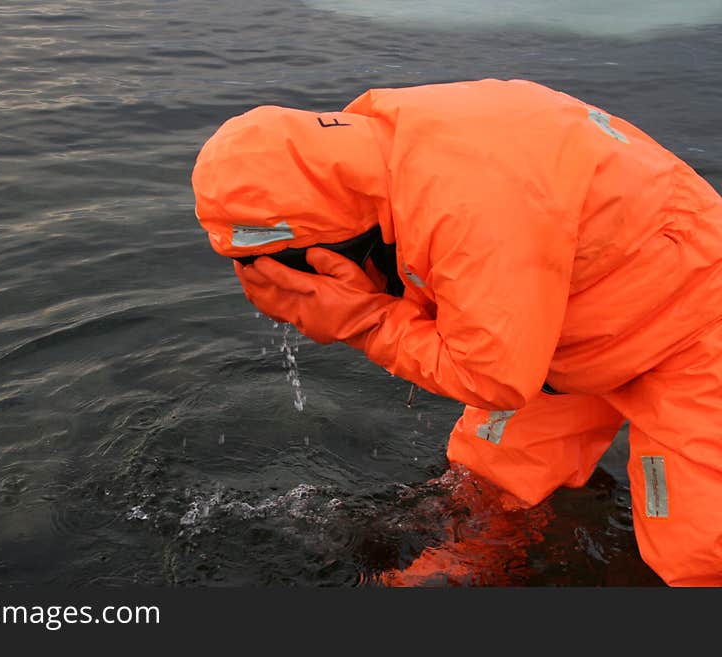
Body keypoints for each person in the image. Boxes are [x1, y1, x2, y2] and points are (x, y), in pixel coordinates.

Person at [190, 78, 722, 586]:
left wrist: (364, 319)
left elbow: (494, 379)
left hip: (688, 327)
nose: (301, 281)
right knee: (494, 480)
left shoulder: (473, 205)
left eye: (300, 266)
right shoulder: (376, 161)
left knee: (696, 551)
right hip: (562, 322)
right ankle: (474, 564)